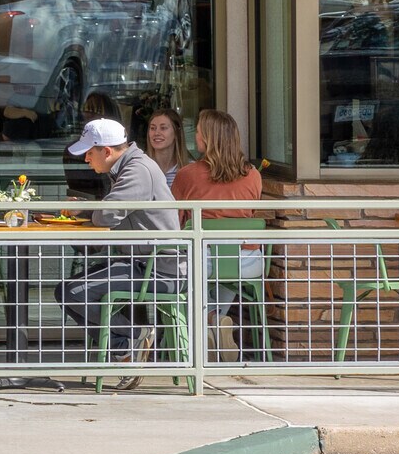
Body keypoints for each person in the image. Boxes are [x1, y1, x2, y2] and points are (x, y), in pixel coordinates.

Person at [58, 118, 184, 368]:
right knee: (69, 290)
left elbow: (107, 214)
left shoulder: (137, 170)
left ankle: (129, 340)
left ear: (106, 151)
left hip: (157, 270)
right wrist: (86, 211)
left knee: (70, 292)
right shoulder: (132, 166)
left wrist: (86, 211)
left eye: (89, 153)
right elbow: (110, 212)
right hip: (147, 264)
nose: (86, 159)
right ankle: (126, 345)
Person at [173, 110, 265, 326]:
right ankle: (216, 326)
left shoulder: (187, 175)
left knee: (183, 278)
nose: (194, 136)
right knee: (224, 274)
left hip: (202, 260)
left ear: (208, 138)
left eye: (197, 132)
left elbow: (173, 220)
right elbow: (252, 214)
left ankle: (211, 320)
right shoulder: (253, 174)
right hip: (247, 260)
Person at [140, 107, 190, 186]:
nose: (156, 133)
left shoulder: (190, 170)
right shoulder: (139, 167)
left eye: (163, 128)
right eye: (152, 128)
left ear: (176, 133)